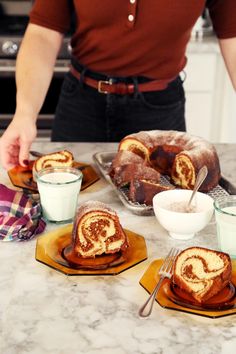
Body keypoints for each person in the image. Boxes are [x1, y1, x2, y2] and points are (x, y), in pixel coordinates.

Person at [0, 0, 236, 170]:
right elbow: (43, 32)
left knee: (161, 215)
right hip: (82, 106)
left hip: (159, 110)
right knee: (66, 211)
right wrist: (24, 114)